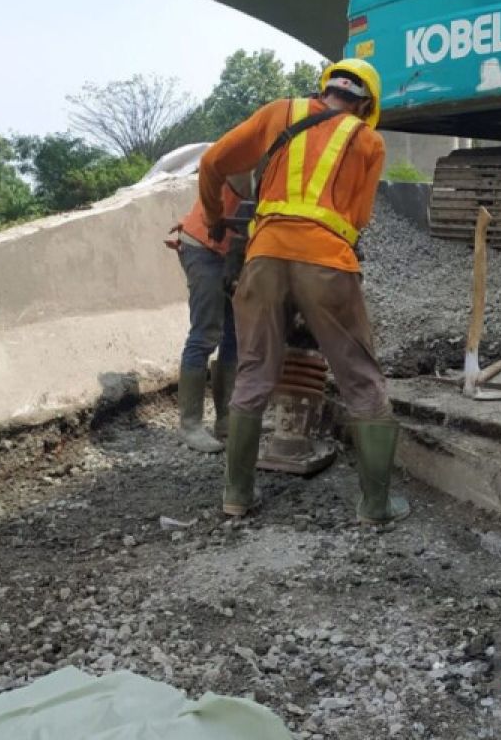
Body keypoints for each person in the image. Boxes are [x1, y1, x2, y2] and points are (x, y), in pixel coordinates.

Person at [197, 58, 410, 526]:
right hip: (327, 262)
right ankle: (374, 506)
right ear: (365, 104)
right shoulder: (368, 139)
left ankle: (236, 496)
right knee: (360, 379)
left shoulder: (279, 113)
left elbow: (212, 163)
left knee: (254, 373)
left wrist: (215, 220)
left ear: (325, 89)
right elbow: (358, 219)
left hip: (264, 256)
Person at [166, 171, 253, 453]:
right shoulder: (255, 156)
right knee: (205, 334)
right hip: (204, 246)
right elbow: (215, 171)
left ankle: (226, 418)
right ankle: (189, 425)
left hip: (232, 253)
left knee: (235, 334)